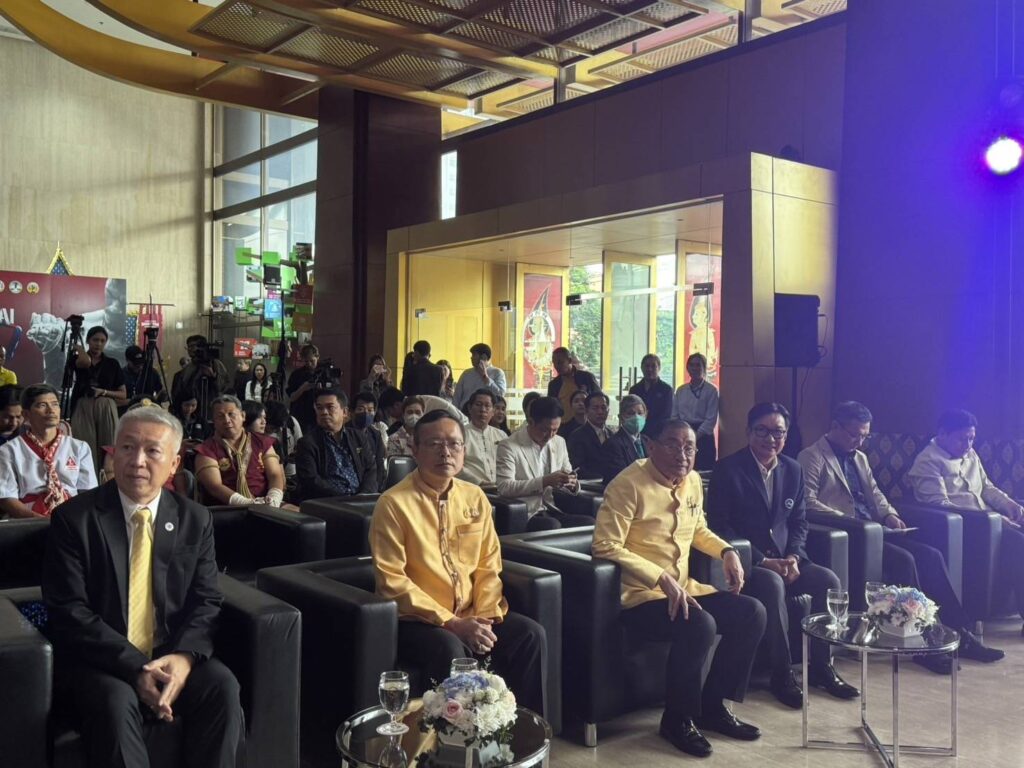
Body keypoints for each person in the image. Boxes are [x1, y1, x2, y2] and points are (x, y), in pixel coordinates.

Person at [41, 406, 243, 768]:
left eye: (152, 451)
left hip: (169, 652)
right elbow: (69, 610)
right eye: (127, 448)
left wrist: (183, 659)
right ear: (112, 453)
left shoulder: (194, 519)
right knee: (115, 702)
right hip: (102, 660)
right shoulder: (74, 519)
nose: (137, 461)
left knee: (222, 687)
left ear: (174, 463)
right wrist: (137, 668)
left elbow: (207, 600)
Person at [593, 419, 766, 757]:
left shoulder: (693, 481)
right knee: (699, 623)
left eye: (689, 447)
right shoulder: (627, 484)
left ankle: (712, 706)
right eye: (672, 444)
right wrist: (659, 577)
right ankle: (677, 719)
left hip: (685, 589)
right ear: (651, 446)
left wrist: (727, 551)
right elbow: (605, 545)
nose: (682, 455)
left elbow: (698, 529)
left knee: (751, 613)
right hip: (639, 596)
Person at [369, 410, 547, 716]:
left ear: (464, 450)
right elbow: (392, 581)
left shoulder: (475, 497)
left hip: (473, 612)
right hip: (419, 621)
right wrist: (451, 623)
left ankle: (522, 733)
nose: (445, 452)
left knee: (530, 635)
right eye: (434, 444)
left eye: (454, 444)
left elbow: (488, 563)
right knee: (451, 648)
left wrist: (484, 617)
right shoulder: (393, 503)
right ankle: (453, 740)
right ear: (415, 449)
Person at [800, 402, 1002, 669]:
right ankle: (923, 645)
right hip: (852, 536)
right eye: (854, 435)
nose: (859, 442)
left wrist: (889, 515)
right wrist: (850, 521)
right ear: (835, 427)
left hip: (877, 530)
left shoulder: (859, 457)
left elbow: (875, 493)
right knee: (905, 561)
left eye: (864, 436)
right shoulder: (811, 456)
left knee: (931, 556)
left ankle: (959, 633)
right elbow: (808, 502)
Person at [706, 402, 858, 708]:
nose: (770, 439)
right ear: (748, 432)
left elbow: (799, 521)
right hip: (749, 562)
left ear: (786, 436)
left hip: (788, 559)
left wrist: (794, 557)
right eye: (762, 431)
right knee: (772, 584)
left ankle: (821, 666)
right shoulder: (727, 470)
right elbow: (720, 526)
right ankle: (782, 673)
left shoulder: (792, 469)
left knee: (828, 580)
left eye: (778, 432)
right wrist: (763, 560)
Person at [908, 409, 1024, 633]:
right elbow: (939, 505)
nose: (968, 444)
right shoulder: (927, 462)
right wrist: (992, 519)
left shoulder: (970, 454)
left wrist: (1010, 506)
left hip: (988, 521)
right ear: (942, 434)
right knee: (1018, 544)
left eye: (971, 438)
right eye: (962, 439)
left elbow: (987, 488)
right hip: (965, 529)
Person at [495, 396, 594, 531]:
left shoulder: (559, 442)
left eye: (555, 430)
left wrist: (571, 483)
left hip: (552, 509)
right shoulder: (509, 446)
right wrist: (544, 481)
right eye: (544, 430)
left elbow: (568, 475)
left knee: (589, 523)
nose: (550, 436)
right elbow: (505, 487)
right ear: (531, 421)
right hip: (526, 512)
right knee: (552, 525)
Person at [0, 383, 97, 518]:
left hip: (72, 517)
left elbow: (89, 493)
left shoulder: (79, 448)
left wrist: (74, 522)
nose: (51, 410)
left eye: (55, 404)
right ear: (26, 414)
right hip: (29, 520)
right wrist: (40, 522)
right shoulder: (9, 451)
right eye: (42, 405)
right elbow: (6, 498)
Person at [193, 395, 285, 507]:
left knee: (299, 514)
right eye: (220, 416)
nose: (227, 420)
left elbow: (275, 474)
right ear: (214, 421)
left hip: (267, 503)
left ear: (243, 416)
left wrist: (274, 498)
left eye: (231, 414)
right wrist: (248, 503)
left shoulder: (261, 441)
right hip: (228, 509)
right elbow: (215, 486)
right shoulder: (206, 449)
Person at [294, 387, 380, 501]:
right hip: (329, 502)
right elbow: (311, 480)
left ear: (345, 412)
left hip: (361, 500)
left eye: (330, 407)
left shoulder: (358, 437)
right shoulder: (307, 443)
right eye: (319, 408)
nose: (324, 412)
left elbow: (371, 469)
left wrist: (363, 496)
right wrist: (345, 498)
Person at [71, 325, 126, 465]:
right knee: (84, 446)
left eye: (102, 341)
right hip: (84, 405)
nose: (99, 344)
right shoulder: (78, 359)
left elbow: (123, 394)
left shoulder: (112, 363)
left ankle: (108, 475)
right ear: (88, 340)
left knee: (108, 446)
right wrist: (79, 348)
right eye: (95, 340)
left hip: (106, 405)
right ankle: (88, 478)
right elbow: (84, 362)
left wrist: (104, 392)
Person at [671, 353, 719, 471]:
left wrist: (695, 436)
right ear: (687, 368)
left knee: (704, 471)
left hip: (703, 437)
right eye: (691, 365)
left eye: (698, 365)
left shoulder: (711, 390)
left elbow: (711, 419)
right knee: (682, 468)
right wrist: (681, 434)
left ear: (704, 368)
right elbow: (674, 416)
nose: (695, 368)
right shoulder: (681, 390)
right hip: (683, 434)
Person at [172, 335, 232, 413]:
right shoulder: (188, 369)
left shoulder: (216, 364)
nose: (190, 349)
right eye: (188, 347)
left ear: (203, 347)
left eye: (193, 346)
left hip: (212, 409)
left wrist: (213, 377)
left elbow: (223, 387)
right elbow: (180, 390)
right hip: (192, 411)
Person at [460, 389, 508, 486]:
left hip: (500, 489)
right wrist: (480, 483)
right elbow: (456, 466)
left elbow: (509, 463)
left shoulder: (501, 435)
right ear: (470, 408)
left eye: (487, 406)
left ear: (493, 411)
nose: (483, 410)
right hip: (472, 488)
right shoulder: (460, 434)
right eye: (478, 404)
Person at [601, 394, 648, 484]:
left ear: (646, 415)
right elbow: (620, 476)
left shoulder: (647, 441)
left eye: (640, 413)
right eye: (630, 413)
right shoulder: (612, 444)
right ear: (621, 417)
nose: (636, 417)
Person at [566, 392, 613, 480]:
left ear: (608, 410)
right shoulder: (577, 436)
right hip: (589, 484)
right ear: (586, 410)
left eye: (603, 408)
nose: (600, 412)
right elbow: (577, 468)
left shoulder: (612, 434)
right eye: (595, 408)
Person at [349, 391, 387, 493]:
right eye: (361, 409)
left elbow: (379, 465)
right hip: (351, 488)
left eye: (370, 410)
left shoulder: (376, 434)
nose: (366, 413)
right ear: (352, 412)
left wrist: (375, 489)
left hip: (372, 489)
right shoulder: (345, 432)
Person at [547, 346, 600, 416]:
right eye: (554, 363)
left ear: (569, 360)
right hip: (563, 422)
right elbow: (551, 408)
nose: (556, 366)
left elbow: (599, 398)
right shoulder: (553, 384)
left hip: (584, 420)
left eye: (560, 362)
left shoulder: (586, 378)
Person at [628, 353, 673, 435]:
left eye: (653, 366)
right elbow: (630, 414)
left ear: (659, 368)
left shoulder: (666, 390)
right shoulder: (634, 390)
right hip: (637, 432)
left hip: (658, 434)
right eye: (647, 366)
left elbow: (666, 416)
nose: (650, 369)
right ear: (642, 368)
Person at [453, 343, 507, 410]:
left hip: (486, 413)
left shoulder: (497, 373)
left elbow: (500, 394)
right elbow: (456, 397)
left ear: (483, 357)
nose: (471, 358)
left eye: (474, 355)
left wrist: (486, 378)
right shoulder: (466, 374)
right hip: (464, 413)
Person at [286, 343, 326, 433]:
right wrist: (303, 388)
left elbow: (335, 394)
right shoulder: (297, 374)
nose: (309, 364)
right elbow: (291, 397)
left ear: (317, 357)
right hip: (302, 415)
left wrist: (322, 390)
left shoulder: (325, 373)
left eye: (312, 361)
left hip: (321, 415)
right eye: (306, 361)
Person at [117, 345, 163, 415]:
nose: (140, 367)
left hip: (148, 412)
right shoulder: (120, 374)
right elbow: (116, 402)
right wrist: (135, 401)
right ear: (127, 360)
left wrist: (159, 397)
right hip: (126, 413)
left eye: (141, 363)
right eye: (136, 364)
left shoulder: (151, 372)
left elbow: (160, 391)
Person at [264, 400, 302, 481]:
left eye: (280, 426)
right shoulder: (259, 431)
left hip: (289, 468)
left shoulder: (291, 422)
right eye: (273, 428)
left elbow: (299, 444)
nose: (279, 430)